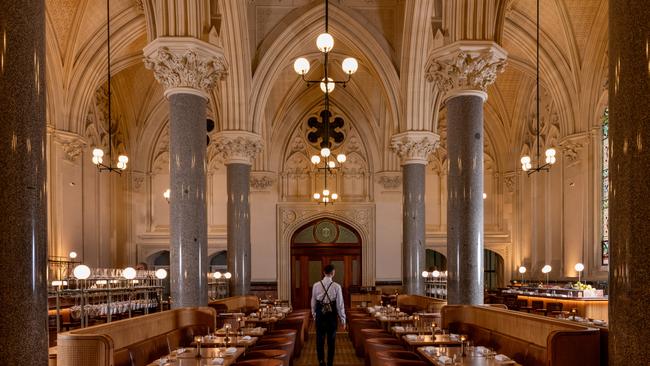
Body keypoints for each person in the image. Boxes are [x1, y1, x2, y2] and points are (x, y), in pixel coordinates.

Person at [311, 264, 346, 366]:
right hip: (331, 316)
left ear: (323, 273)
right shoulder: (337, 286)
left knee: (319, 340)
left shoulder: (316, 285)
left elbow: (313, 301)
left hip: (320, 315)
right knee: (331, 340)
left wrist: (314, 315)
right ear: (333, 273)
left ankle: (321, 362)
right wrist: (343, 319)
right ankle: (330, 363)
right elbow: (340, 304)